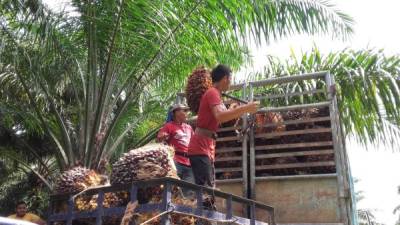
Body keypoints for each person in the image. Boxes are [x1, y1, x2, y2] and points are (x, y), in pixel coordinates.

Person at [187, 64, 259, 207]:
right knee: (206, 193)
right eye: (230, 79)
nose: (231, 82)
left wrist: (235, 109)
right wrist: (246, 108)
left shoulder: (214, 94)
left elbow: (221, 116)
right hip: (200, 148)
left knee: (208, 190)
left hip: (205, 148)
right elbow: (220, 116)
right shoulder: (212, 92)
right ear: (225, 78)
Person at [157, 103, 195, 184]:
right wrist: (162, 137)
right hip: (176, 161)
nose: (187, 113)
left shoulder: (189, 128)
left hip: (189, 162)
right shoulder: (168, 126)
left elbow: (194, 143)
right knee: (175, 188)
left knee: (189, 190)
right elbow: (160, 137)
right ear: (176, 112)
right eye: (184, 110)